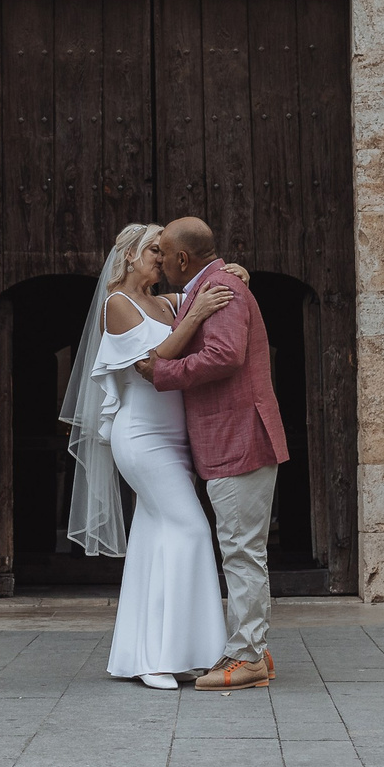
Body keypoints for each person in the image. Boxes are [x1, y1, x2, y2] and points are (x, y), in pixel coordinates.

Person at [59, 223, 240, 689]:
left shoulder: (166, 303)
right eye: (154, 251)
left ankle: (149, 655)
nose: (162, 258)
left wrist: (231, 276)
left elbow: (210, 292)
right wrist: (197, 313)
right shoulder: (116, 304)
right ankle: (172, 653)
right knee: (193, 529)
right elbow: (155, 364)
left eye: (165, 251)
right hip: (141, 436)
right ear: (129, 256)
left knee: (154, 538)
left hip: (175, 438)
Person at [138, 216, 288, 690]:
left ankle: (244, 657)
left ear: (184, 258)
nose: (158, 259)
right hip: (232, 439)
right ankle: (255, 648)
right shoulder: (216, 285)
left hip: (238, 438)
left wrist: (164, 371)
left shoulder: (221, 290)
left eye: (163, 251)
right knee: (243, 548)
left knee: (242, 552)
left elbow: (225, 354)